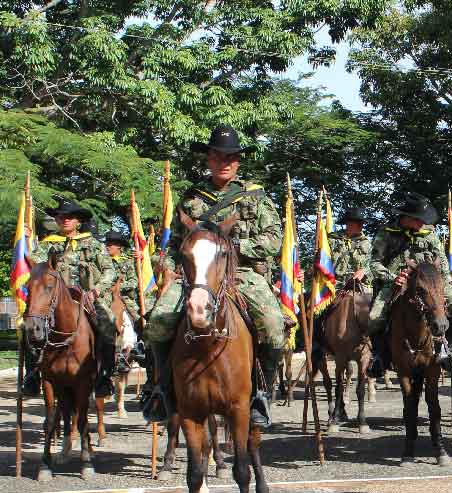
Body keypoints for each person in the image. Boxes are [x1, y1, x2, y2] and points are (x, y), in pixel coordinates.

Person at [141, 124, 286, 427]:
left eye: (231, 157)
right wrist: (166, 266)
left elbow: (274, 240)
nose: (225, 162)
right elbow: (172, 244)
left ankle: (262, 394)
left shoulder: (255, 197)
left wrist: (233, 245)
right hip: (194, 276)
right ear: (208, 159)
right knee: (157, 322)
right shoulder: (191, 198)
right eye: (218, 157)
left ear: (238, 162)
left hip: (242, 273)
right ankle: (159, 388)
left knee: (273, 325)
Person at [23, 200, 118, 397]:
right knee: (28, 325)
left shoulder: (93, 244)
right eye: (61, 217)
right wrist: (24, 242)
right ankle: (32, 373)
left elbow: (110, 271)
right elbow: (35, 268)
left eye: (70, 217)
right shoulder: (47, 244)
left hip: (86, 296)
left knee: (108, 322)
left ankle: (105, 375)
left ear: (78, 221)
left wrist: (97, 291)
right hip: (53, 299)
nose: (64, 220)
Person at [367, 194, 452, 375]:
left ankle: (447, 349)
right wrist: (392, 277)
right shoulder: (386, 233)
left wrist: (445, 283)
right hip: (398, 281)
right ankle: (379, 356)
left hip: (431, 283)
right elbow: (374, 263)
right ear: (408, 218)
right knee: (375, 318)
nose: (424, 223)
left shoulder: (429, 233)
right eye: (420, 220)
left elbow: (442, 260)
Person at [104, 230, 152, 369]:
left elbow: (134, 281)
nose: (107, 246)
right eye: (107, 243)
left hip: (126, 299)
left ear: (119, 246)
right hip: (106, 298)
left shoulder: (129, 261)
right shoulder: (102, 260)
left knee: (137, 321)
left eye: (111, 244)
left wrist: (118, 286)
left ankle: (133, 351)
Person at [329, 207, 373, 290]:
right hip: (333, 285)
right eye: (357, 222)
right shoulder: (332, 240)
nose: (361, 225)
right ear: (348, 223)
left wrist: (364, 271)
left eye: (362, 223)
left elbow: (373, 265)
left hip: (357, 287)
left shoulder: (367, 243)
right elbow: (320, 261)